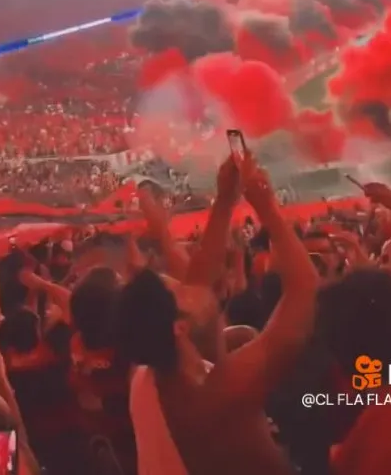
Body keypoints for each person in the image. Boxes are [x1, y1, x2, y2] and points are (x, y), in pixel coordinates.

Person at [115, 155, 318, 475]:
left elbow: (199, 280)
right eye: (178, 292)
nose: (189, 284)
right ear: (180, 328)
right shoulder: (217, 396)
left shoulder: (148, 376)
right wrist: (267, 208)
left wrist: (225, 201)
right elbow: (306, 293)